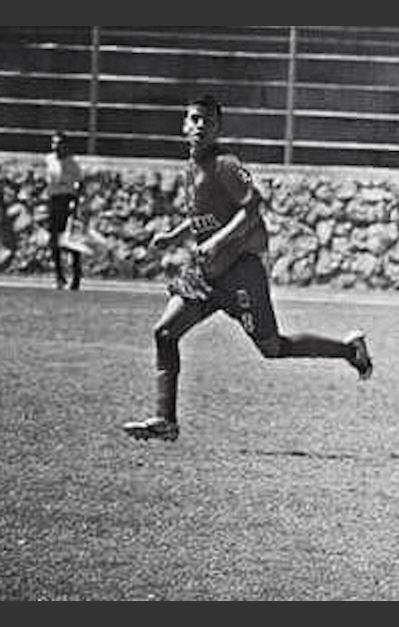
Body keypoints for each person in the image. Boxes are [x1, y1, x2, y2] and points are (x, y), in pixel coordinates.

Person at [121, 94, 374, 443]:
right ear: (183, 125)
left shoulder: (225, 164)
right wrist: (175, 235)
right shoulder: (191, 167)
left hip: (241, 270)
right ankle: (166, 420)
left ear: (218, 128)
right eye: (193, 119)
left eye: (207, 121)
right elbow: (202, 216)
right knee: (165, 334)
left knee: (272, 348)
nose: (199, 126)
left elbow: (252, 206)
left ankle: (350, 350)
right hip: (207, 274)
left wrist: (218, 243)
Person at [45, 131, 84, 290]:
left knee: (71, 241)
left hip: (68, 201)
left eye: (58, 143)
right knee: (54, 241)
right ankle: (59, 276)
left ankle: (76, 276)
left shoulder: (73, 163)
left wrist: (75, 203)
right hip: (54, 201)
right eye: (53, 143)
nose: (55, 146)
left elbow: (80, 183)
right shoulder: (49, 160)